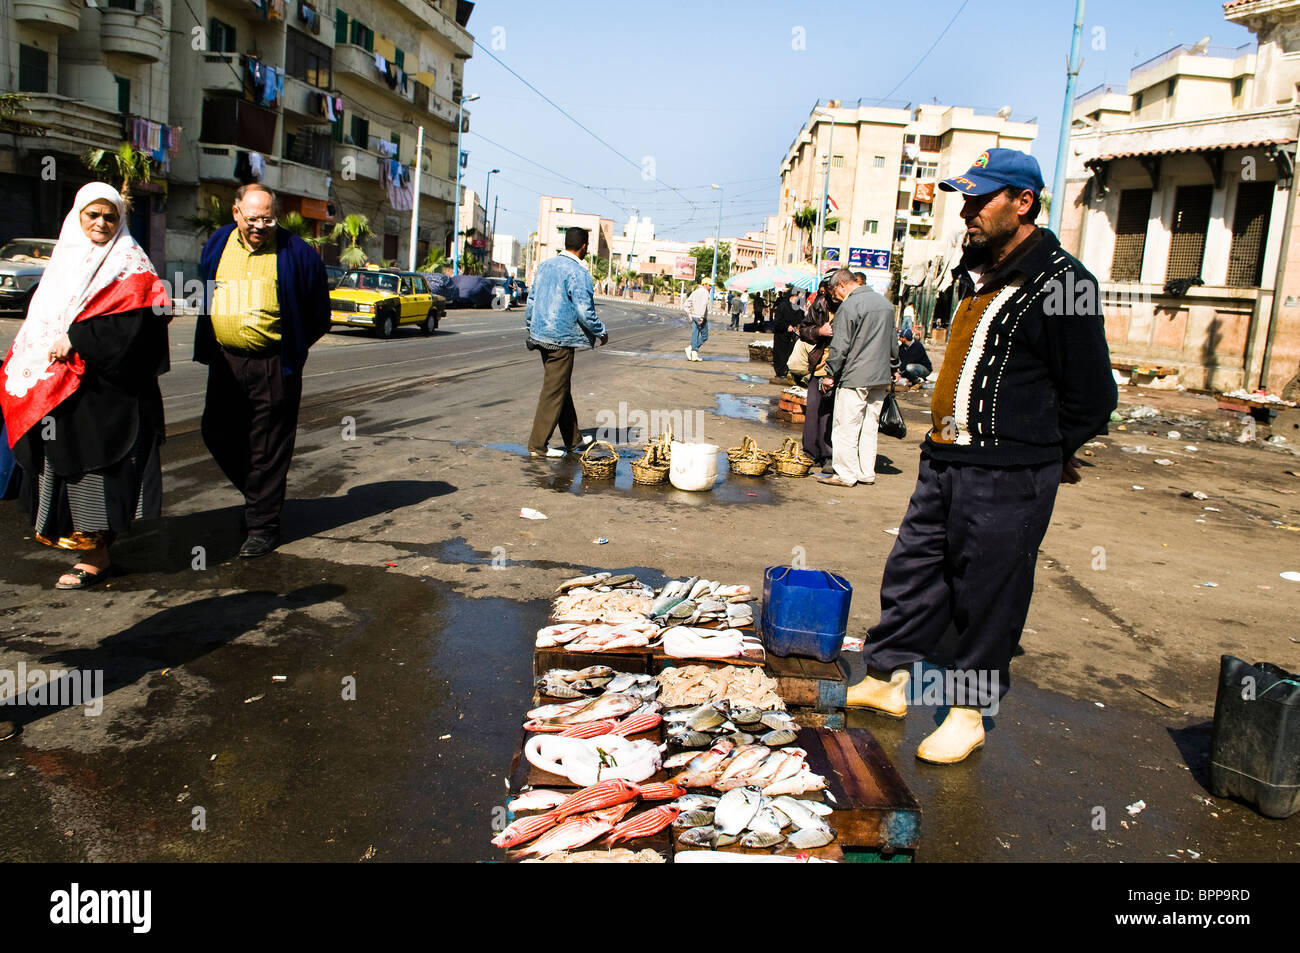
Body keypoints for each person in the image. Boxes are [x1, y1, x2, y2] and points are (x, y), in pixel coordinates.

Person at [847, 148, 1118, 764]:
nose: (966, 211)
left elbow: (1093, 395)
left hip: (1010, 472)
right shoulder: (976, 270)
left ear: (1022, 203)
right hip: (945, 458)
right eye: (965, 199)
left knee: (988, 590)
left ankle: (967, 712)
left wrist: (1051, 450)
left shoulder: (1064, 284)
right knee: (914, 571)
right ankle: (888, 678)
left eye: (981, 200)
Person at [0, 183, 170, 589]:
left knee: (94, 472)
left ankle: (95, 556)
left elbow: (138, 329)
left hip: (105, 393)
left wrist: (78, 339)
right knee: (60, 467)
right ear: (77, 217)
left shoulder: (132, 265)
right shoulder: (65, 258)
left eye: (109, 217)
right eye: (92, 215)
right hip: (58, 389)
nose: (101, 223)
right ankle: (85, 547)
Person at [195, 183, 330, 558]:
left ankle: (262, 526)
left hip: (274, 363)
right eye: (252, 218)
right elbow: (206, 287)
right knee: (216, 432)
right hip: (225, 361)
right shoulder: (218, 243)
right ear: (236, 212)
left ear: (278, 216)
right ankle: (260, 498)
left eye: (267, 218)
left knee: (267, 447)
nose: (259, 225)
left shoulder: (297, 253)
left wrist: (292, 347)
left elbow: (319, 313)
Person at [525, 226, 608, 457]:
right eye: (587, 246)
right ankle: (537, 445)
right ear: (583, 246)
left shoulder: (544, 266)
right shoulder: (578, 273)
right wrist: (601, 331)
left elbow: (531, 301)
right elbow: (584, 310)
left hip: (541, 335)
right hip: (560, 340)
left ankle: (573, 439)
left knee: (560, 386)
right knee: (553, 391)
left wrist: (531, 327)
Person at [816, 270, 896, 488]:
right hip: (880, 376)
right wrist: (894, 368)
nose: (836, 298)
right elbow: (893, 343)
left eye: (835, 293)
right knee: (869, 425)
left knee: (846, 426)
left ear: (842, 285)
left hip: (855, 376)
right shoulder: (886, 305)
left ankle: (845, 474)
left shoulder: (849, 307)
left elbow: (840, 346)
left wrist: (830, 374)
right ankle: (865, 472)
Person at [799, 279, 837, 468]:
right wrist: (819, 331)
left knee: (831, 413)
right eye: (822, 292)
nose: (825, 295)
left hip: (841, 369)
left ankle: (828, 454)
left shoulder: (850, 306)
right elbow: (803, 330)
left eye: (827, 292)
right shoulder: (820, 305)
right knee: (814, 409)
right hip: (820, 365)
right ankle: (810, 451)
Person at [771, 288, 801, 378]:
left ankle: (787, 371)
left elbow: (799, 319)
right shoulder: (783, 306)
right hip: (781, 335)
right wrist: (786, 326)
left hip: (791, 336)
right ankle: (780, 371)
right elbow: (777, 321)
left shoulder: (796, 307)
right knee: (781, 354)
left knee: (790, 353)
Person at [682, 277, 710, 362]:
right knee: (704, 336)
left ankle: (693, 353)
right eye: (709, 285)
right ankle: (692, 349)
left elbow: (686, 304)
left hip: (694, 316)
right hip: (700, 317)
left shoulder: (695, 292)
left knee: (695, 334)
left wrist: (689, 313)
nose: (710, 287)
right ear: (704, 284)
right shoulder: (705, 292)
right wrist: (701, 316)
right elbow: (703, 305)